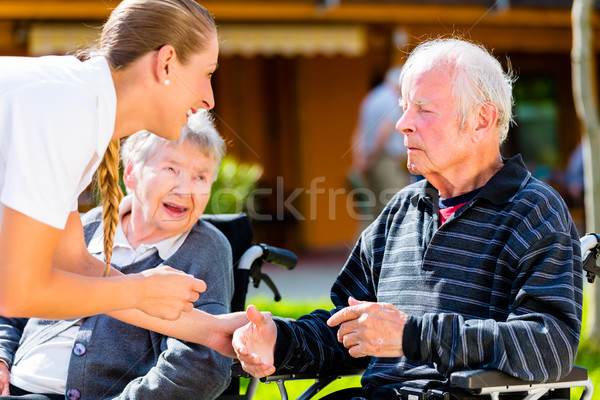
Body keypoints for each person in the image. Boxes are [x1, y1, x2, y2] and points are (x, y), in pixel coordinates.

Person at [233, 38, 584, 400]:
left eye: (423, 110)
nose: (402, 124)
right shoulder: (403, 209)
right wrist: (281, 339)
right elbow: (347, 328)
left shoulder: (534, 211)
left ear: (482, 119)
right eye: (403, 108)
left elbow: (549, 346)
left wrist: (411, 336)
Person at [0, 0, 246, 356]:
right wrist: (140, 289)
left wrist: (210, 330)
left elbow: (73, 264)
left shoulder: (79, 103)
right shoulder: (67, 111)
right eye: (207, 74)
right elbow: (17, 291)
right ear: (166, 63)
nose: (209, 99)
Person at [0, 110, 232, 400]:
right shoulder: (83, 229)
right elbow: (15, 297)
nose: (186, 189)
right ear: (131, 174)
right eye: (171, 169)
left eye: (201, 176)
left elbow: (202, 365)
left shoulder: (205, 249)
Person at [350, 66, 409, 219]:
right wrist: (373, 157)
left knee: (373, 211)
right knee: (393, 207)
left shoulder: (370, 97)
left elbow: (359, 131)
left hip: (369, 160)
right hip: (384, 159)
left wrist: (359, 160)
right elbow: (385, 130)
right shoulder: (391, 99)